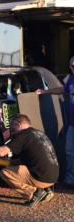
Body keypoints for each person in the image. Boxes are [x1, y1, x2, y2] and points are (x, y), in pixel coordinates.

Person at [0, 114, 59, 207]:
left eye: (13, 128)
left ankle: (35, 192)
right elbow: (15, 162)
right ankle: (46, 189)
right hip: (52, 179)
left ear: (19, 124)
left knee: (5, 173)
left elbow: (1, 152)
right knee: (17, 168)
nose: (12, 132)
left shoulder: (23, 135)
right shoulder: (39, 134)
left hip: (41, 178)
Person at [36, 56, 74, 187]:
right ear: (70, 67)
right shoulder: (71, 80)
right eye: (73, 66)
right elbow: (62, 90)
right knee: (69, 151)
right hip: (72, 124)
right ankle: (70, 180)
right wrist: (45, 91)